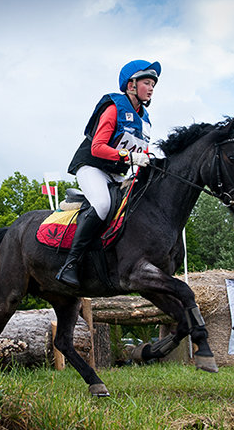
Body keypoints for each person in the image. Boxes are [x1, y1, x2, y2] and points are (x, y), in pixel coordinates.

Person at [56, 59, 161, 287]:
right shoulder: (114, 108)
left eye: (153, 84)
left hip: (116, 174)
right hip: (92, 167)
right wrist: (131, 157)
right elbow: (98, 148)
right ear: (131, 85)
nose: (151, 88)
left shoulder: (145, 120)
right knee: (102, 205)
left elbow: (142, 154)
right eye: (147, 82)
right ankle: (70, 264)